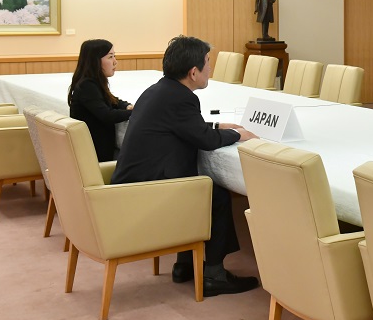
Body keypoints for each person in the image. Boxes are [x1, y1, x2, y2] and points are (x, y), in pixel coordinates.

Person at [112, 35, 259, 297]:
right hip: (146, 191)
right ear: (193, 72)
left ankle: (185, 265)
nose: (210, 69)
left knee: (200, 185)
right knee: (215, 194)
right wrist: (239, 135)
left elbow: (186, 128)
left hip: (131, 185)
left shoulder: (159, 90)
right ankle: (213, 275)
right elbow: (205, 140)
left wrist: (217, 125)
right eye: (207, 63)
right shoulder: (181, 98)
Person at [67, 39, 133, 163]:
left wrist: (127, 106)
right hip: (93, 156)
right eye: (110, 57)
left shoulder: (93, 82)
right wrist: (135, 112)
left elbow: (113, 101)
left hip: (97, 151)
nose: (115, 62)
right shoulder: (87, 86)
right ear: (95, 61)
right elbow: (107, 115)